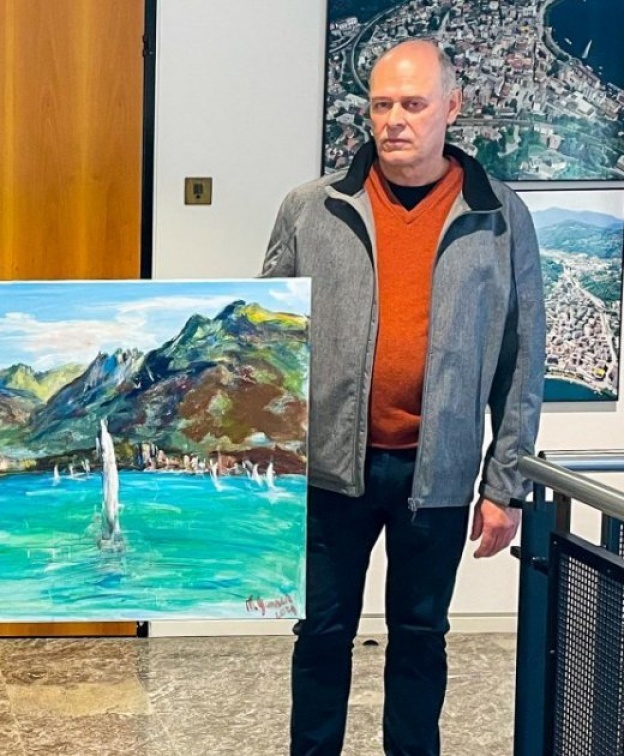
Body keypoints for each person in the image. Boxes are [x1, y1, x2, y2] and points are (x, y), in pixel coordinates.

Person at [261, 39, 545, 756]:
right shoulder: (311, 209)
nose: (394, 120)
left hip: (438, 474)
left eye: (413, 104)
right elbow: (265, 342)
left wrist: (504, 486)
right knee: (321, 634)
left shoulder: (500, 217)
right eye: (382, 104)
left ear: (452, 107)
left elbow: (522, 360)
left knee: (421, 637)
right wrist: (267, 463)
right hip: (329, 472)